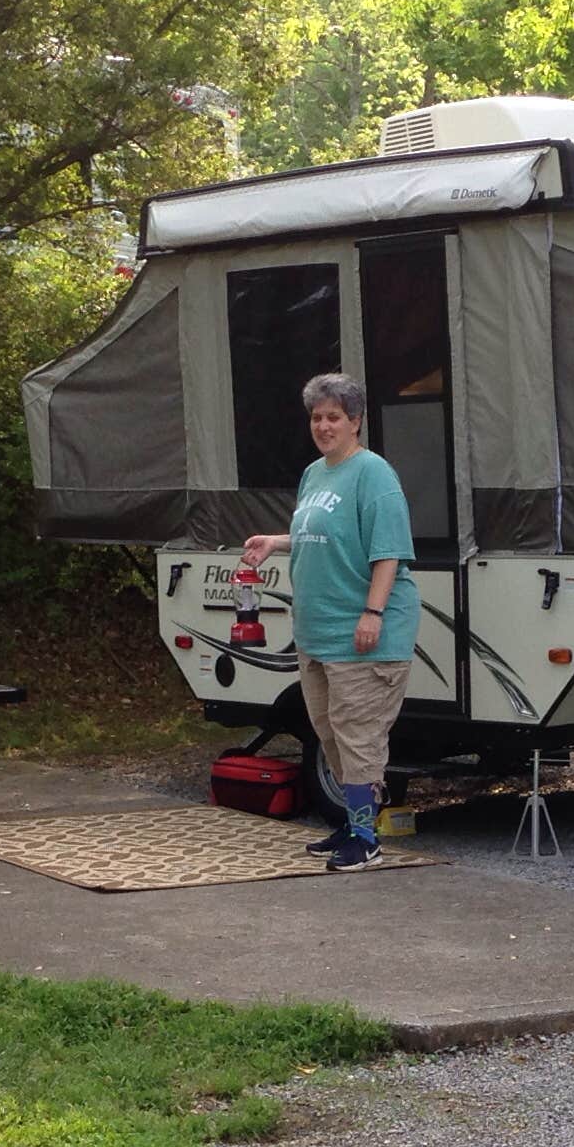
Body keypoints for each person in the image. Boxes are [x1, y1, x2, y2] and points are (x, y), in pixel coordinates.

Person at [238, 373, 419, 871]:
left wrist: (372, 613)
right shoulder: (315, 474)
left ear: (355, 421)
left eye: (334, 417)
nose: (323, 426)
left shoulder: (374, 474)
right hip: (317, 635)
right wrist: (276, 541)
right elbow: (322, 534)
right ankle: (353, 825)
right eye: (317, 417)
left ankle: (366, 839)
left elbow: (388, 552)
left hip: (362, 634)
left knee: (359, 737)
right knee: (332, 734)